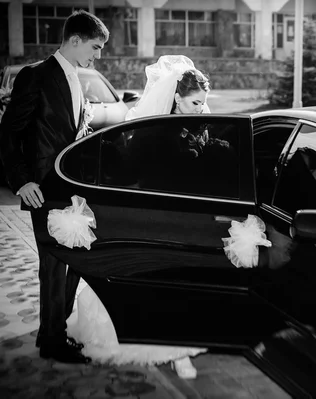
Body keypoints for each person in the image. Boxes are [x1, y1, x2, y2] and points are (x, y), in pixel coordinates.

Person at [66, 55, 211, 378]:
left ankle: (180, 346)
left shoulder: (197, 126)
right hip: (157, 218)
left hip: (187, 219)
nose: (201, 109)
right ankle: (174, 351)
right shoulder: (151, 133)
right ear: (176, 98)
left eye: (203, 103)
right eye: (195, 103)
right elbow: (137, 173)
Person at [0, 10, 109, 364]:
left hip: (71, 189)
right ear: (74, 40)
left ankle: (53, 331)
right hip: (43, 188)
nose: (98, 55)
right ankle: (52, 342)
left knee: (73, 260)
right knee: (54, 264)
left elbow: (73, 133)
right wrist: (21, 180)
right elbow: (8, 133)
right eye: (95, 46)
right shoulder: (36, 76)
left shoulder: (77, 77)